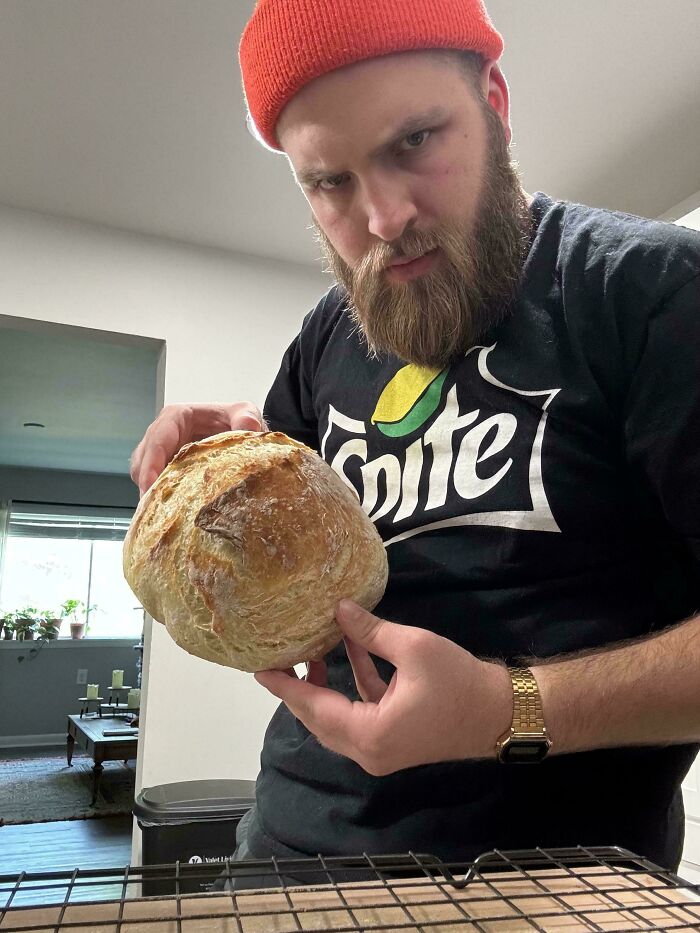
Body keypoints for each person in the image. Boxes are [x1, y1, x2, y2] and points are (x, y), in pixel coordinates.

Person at [131, 0, 700, 876]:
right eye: (330, 182)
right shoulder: (328, 335)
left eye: (415, 141)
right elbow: (301, 571)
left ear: (495, 104)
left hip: (554, 884)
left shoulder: (647, 290)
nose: (385, 217)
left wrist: (511, 708)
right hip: (281, 852)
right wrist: (226, 470)